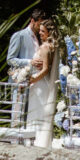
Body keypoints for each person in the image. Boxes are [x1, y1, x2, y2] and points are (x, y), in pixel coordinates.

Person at [27, 18, 59, 148]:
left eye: (43, 31)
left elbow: (46, 69)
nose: (40, 33)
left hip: (40, 85)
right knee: (38, 113)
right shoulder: (51, 46)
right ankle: (36, 141)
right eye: (39, 31)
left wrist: (33, 79)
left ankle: (37, 142)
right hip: (41, 85)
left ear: (49, 33)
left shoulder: (45, 47)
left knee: (37, 113)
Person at [7, 9, 44, 81]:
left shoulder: (40, 37)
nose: (40, 28)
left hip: (34, 82)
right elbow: (10, 60)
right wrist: (29, 62)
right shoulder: (19, 35)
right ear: (32, 21)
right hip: (19, 83)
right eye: (39, 24)